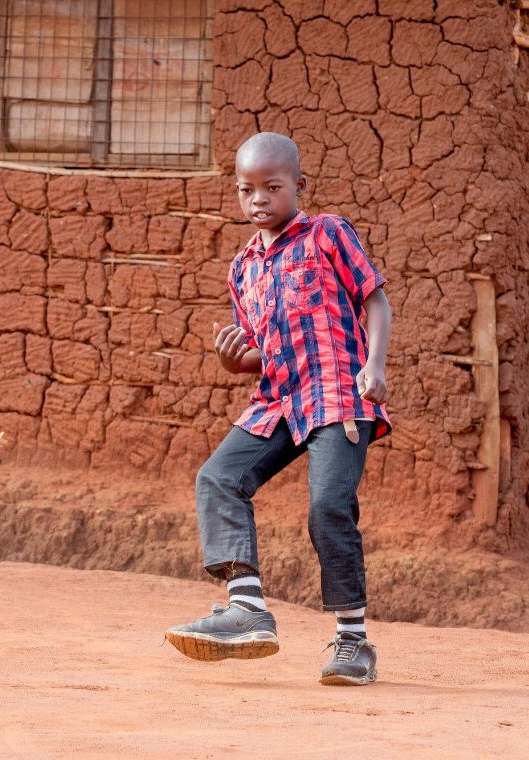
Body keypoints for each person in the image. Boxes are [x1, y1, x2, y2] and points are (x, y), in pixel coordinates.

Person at [165, 132, 392, 686]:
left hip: (338, 394)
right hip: (279, 400)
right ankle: (246, 608)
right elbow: (260, 353)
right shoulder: (242, 267)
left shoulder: (328, 233)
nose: (259, 199)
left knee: (328, 507)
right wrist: (233, 363)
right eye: (247, 190)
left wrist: (375, 365)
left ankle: (353, 642)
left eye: (272, 187)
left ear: (299, 186)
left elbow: (375, 300)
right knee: (218, 478)